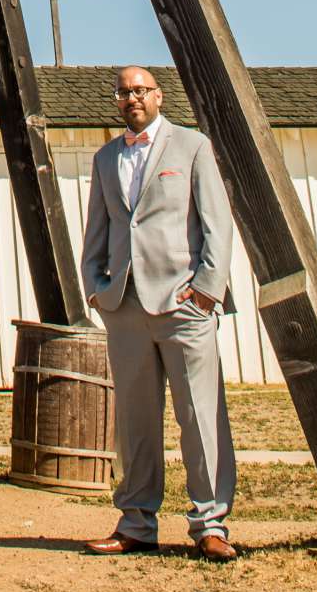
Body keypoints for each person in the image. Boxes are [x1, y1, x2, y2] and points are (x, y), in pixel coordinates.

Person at [80, 64, 239, 561]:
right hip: (125, 307)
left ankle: (210, 524)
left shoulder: (191, 147)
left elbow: (217, 221)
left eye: (141, 91)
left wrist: (208, 289)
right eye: (124, 92)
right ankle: (136, 522)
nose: (133, 99)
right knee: (135, 422)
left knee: (200, 416)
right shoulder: (106, 158)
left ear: (159, 97)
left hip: (183, 303)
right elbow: (97, 231)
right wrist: (96, 289)